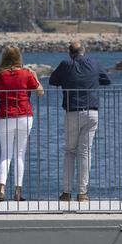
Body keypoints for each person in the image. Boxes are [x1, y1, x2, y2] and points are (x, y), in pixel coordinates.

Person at [0, 45, 43, 201]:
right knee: (20, 154)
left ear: (3, 57)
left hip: (5, 116)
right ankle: (18, 192)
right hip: (25, 115)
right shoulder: (26, 74)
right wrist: (35, 77)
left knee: (5, 154)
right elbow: (40, 91)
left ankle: (1, 189)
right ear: (19, 57)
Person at [49, 40, 110, 202]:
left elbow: (52, 80)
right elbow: (106, 80)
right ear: (84, 51)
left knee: (70, 152)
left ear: (70, 53)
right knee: (85, 153)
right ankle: (83, 193)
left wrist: (67, 80)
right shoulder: (95, 64)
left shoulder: (66, 64)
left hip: (73, 112)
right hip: (92, 112)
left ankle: (66, 192)